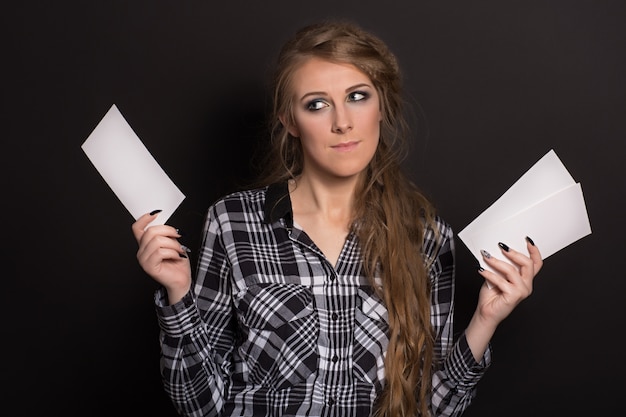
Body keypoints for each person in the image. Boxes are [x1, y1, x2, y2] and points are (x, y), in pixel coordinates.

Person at [131, 20, 543, 417]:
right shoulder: (233, 222)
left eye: (357, 96)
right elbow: (200, 404)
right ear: (290, 122)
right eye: (317, 104)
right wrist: (179, 295)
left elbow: (432, 407)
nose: (342, 122)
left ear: (381, 106)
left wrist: (485, 320)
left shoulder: (428, 237)